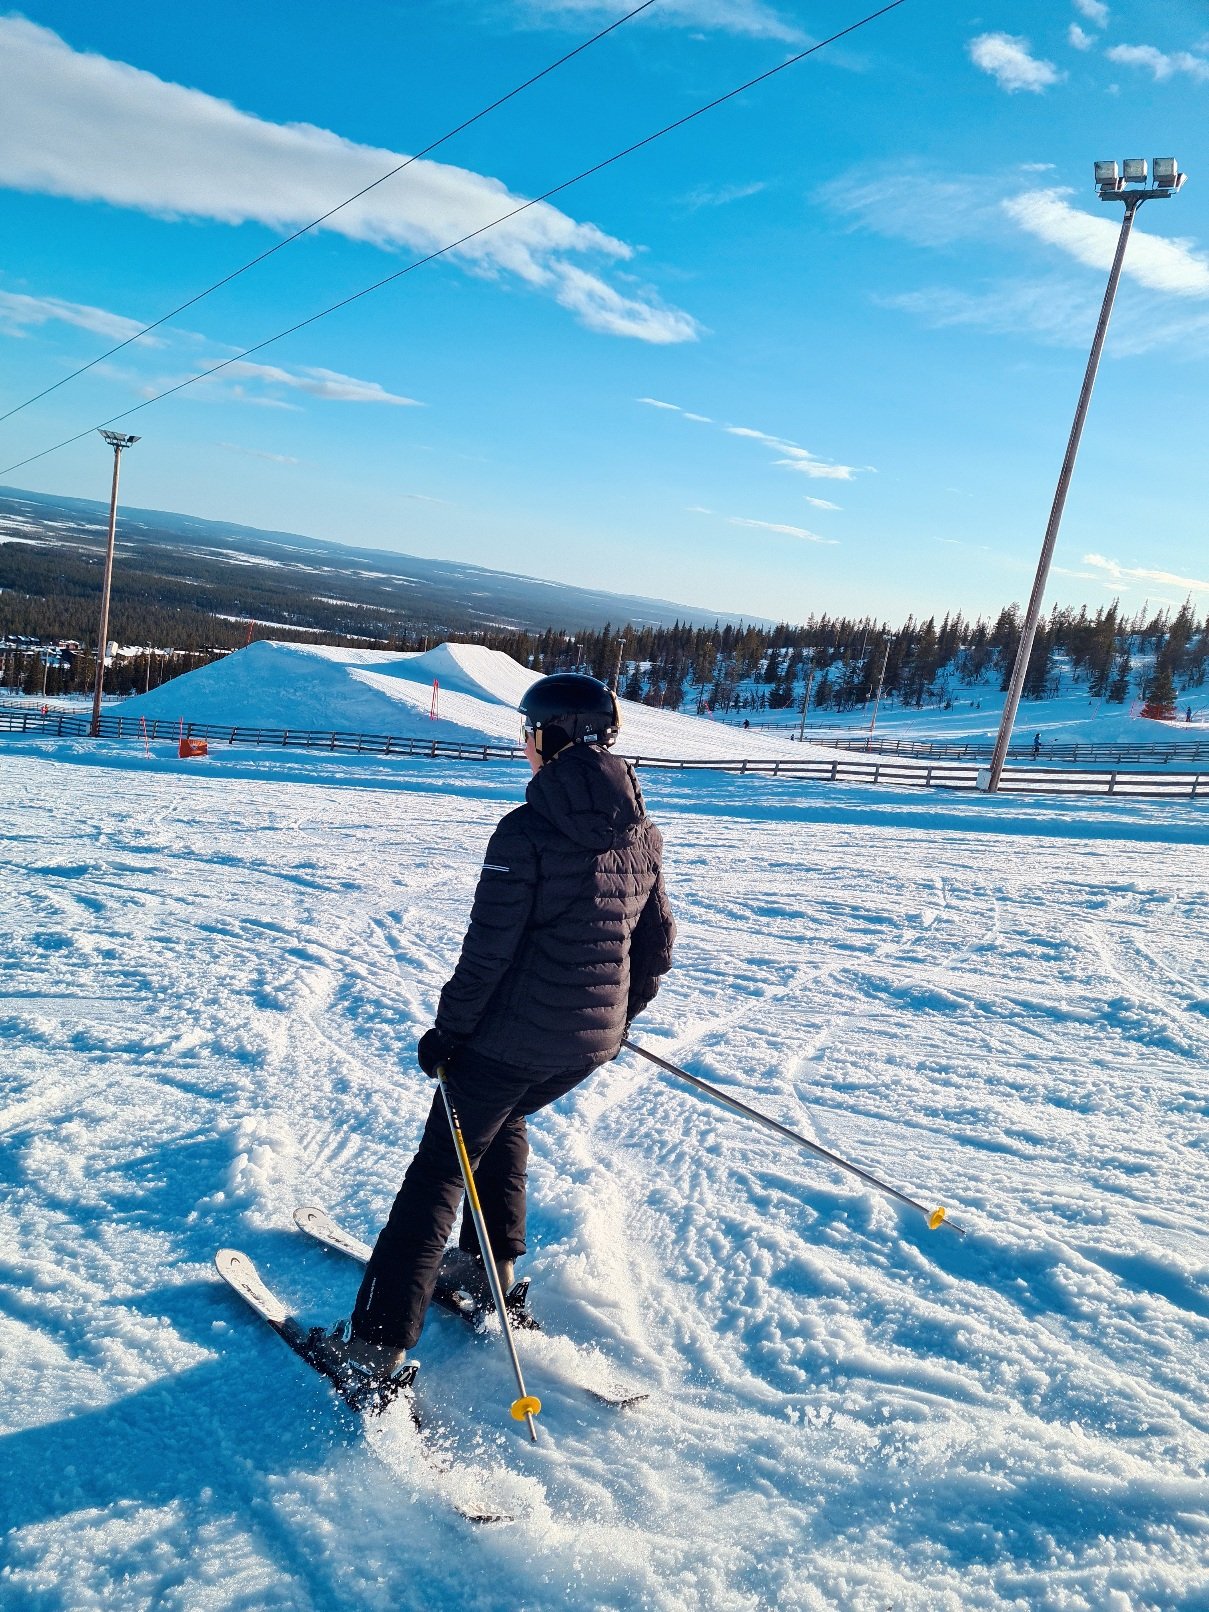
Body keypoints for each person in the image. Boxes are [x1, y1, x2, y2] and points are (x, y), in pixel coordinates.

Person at [328, 673, 676, 1401]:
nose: (523, 745)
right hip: (582, 1047)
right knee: (502, 1121)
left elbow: (488, 950)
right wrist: (615, 1017)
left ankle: (376, 1344)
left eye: (527, 732)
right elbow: (655, 945)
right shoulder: (641, 830)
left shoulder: (525, 830)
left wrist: (447, 1036)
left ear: (552, 737)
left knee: (438, 1171)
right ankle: (487, 1274)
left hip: (507, 1041)